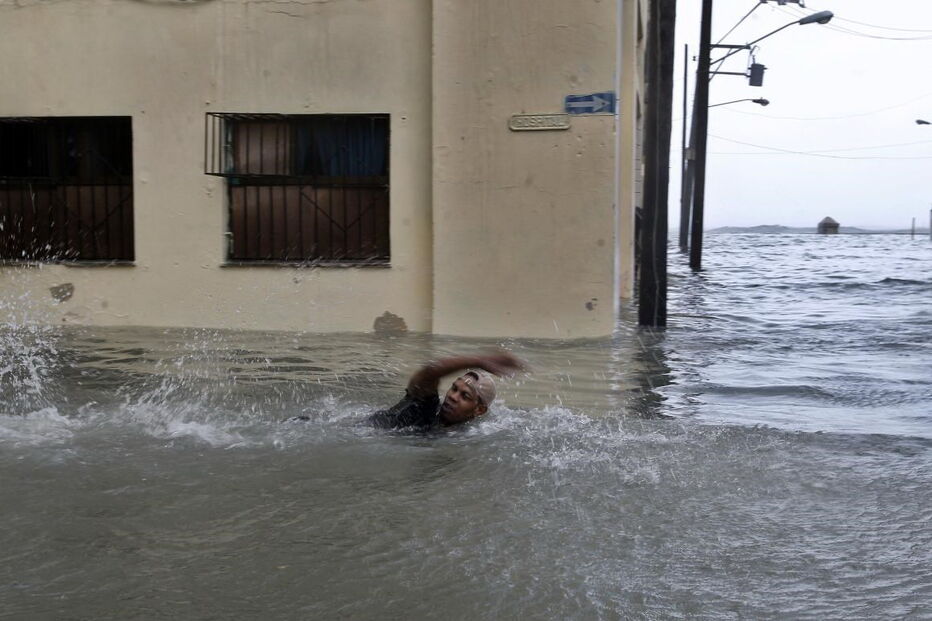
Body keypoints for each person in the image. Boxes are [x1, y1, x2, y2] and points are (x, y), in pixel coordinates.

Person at [367, 351, 526, 430]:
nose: (453, 397)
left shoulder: (470, 434)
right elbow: (429, 372)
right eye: (454, 388)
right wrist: (477, 361)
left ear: (479, 410)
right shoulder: (424, 410)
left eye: (464, 396)